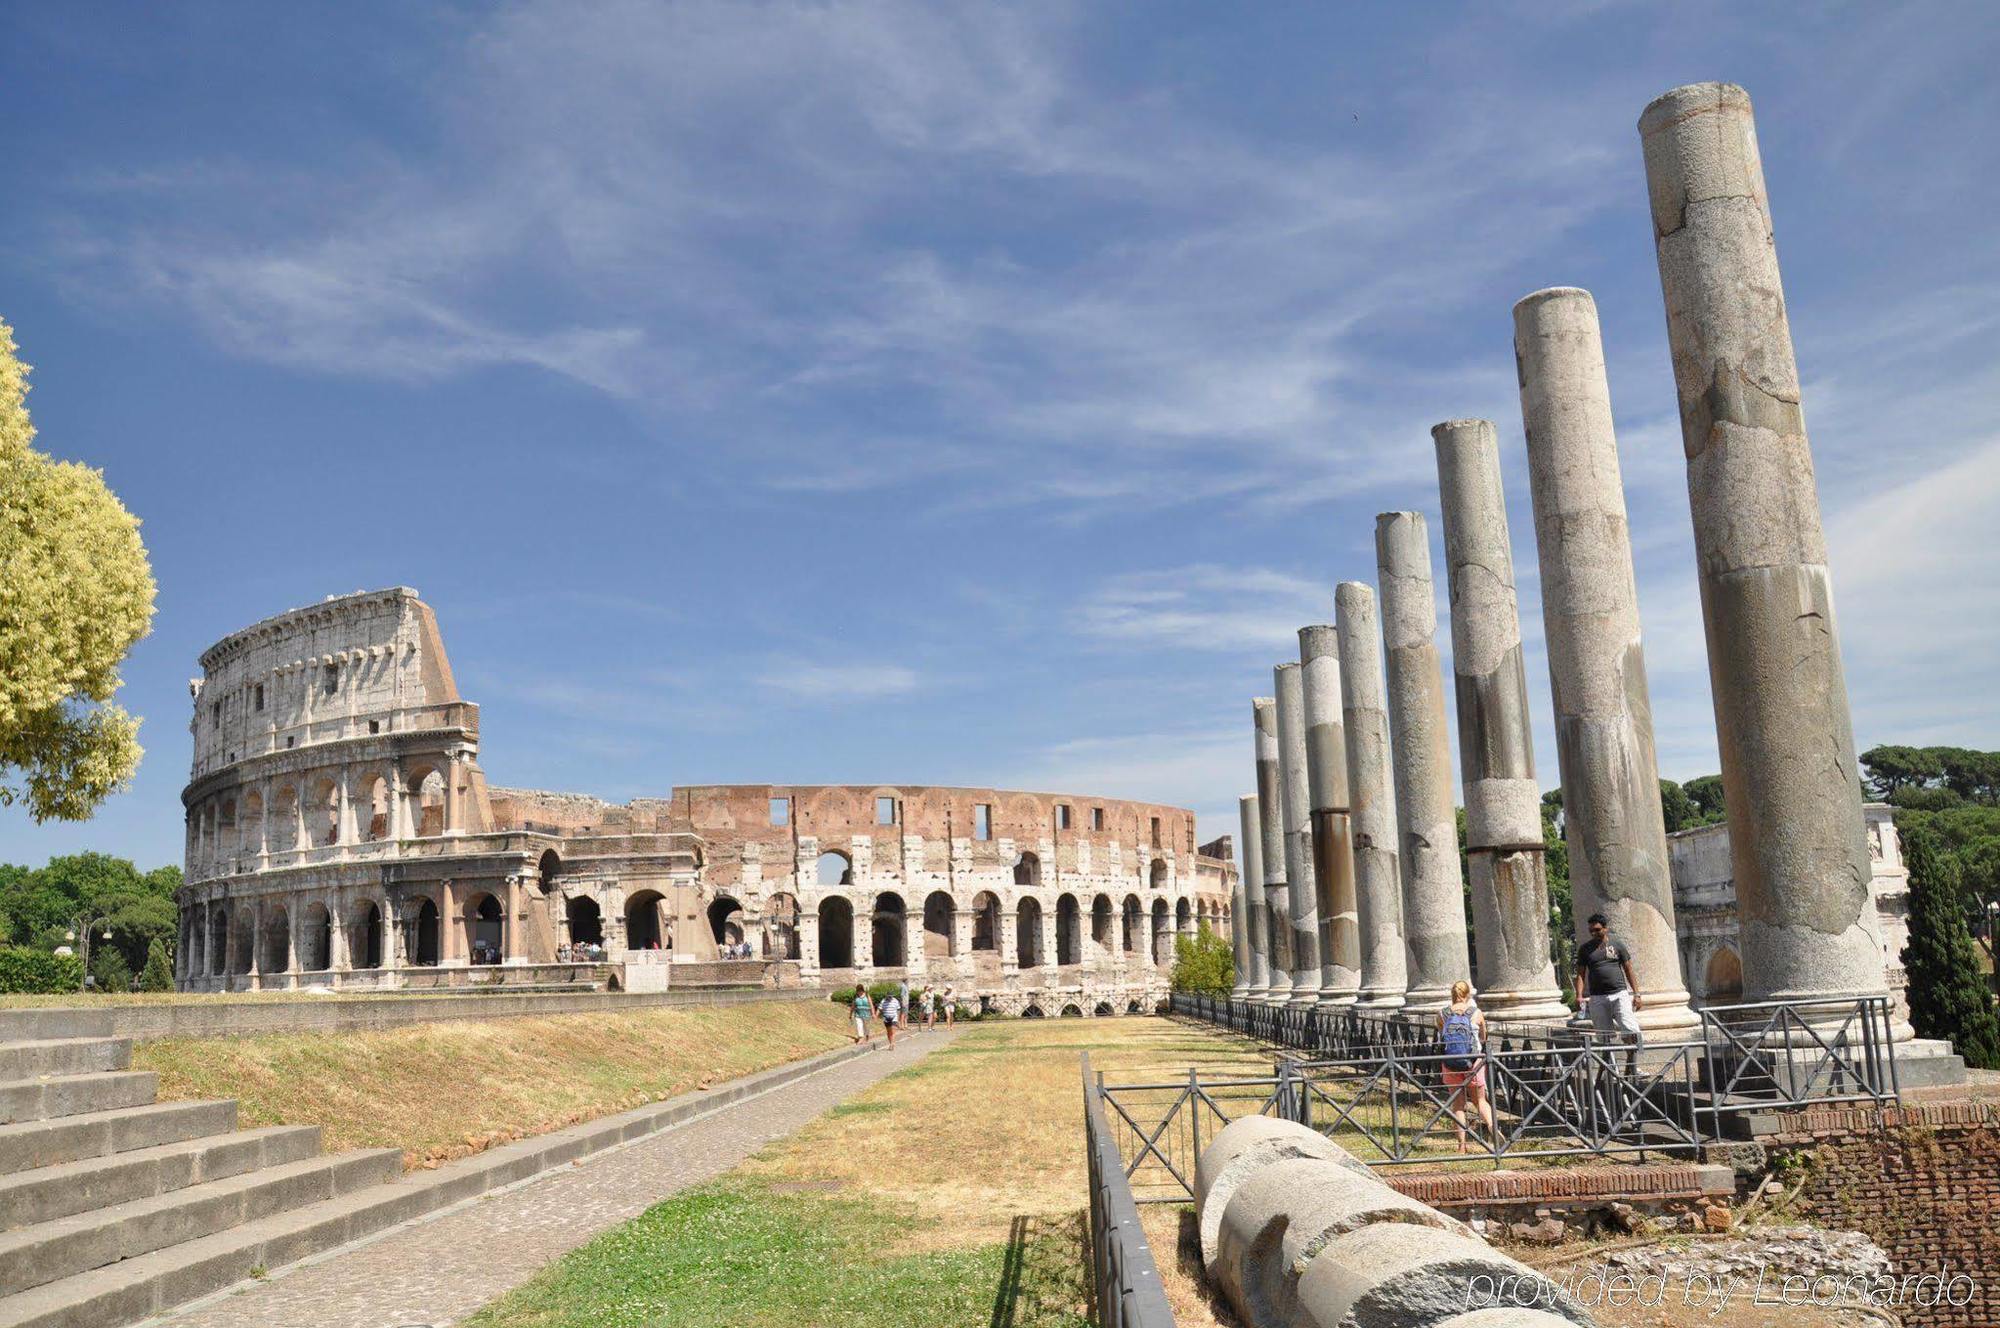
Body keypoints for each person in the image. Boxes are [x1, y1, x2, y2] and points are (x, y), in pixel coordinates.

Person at [1576, 912, 1644, 1073]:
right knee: (1603, 1035)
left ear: (1605, 928)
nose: (1594, 933)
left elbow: (1629, 969)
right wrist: (1578, 995)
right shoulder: (1585, 949)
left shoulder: (1617, 945)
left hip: (1619, 993)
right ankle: (1609, 1069)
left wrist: (1637, 994)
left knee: (1630, 1028)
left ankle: (1633, 1064)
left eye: (1597, 930)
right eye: (1591, 931)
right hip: (1597, 997)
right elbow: (1580, 974)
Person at [1438, 980, 1495, 1154]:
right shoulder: (1476, 1013)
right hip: (1473, 1063)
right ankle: (1493, 1131)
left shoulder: (1442, 1013)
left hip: (1450, 1063)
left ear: (1452, 995)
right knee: (1480, 1101)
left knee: (1458, 1105)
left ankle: (1462, 1146)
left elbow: (1441, 1035)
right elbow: (1484, 1037)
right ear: (1468, 994)